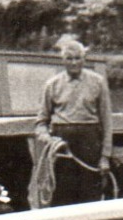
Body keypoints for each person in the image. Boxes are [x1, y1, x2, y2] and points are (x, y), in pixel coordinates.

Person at [35, 35, 113, 207]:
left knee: (91, 195)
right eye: (69, 59)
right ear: (62, 60)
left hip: (90, 144)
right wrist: (49, 140)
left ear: (84, 59)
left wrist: (105, 157)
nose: (74, 63)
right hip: (62, 146)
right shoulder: (52, 85)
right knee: (62, 196)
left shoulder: (98, 82)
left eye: (78, 58)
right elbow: (41, 123)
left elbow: (107, 122)